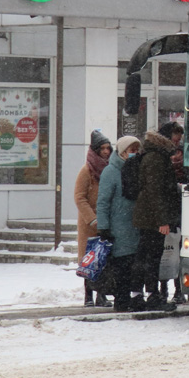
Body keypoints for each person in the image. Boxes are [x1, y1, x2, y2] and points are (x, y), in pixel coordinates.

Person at [131, 127, 181, 312]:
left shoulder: (154, 155)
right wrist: (162, 220)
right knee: (150, 256)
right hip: (151, 217)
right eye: (176, 139)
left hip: (149, 215)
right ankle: (146, 295)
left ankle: (143, 294)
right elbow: (155, 191)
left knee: (148, 255)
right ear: (167, 139)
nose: (177, 143)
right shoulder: (156, 158)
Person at [96, 136, 144, 312]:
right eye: (132, 150)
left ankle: (133, 298)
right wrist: (103, 227)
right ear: (122, 151)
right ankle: (121, 301)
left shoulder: (137, 169)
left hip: (135, 226)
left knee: (134, 265)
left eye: (137, 150)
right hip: (118, 227)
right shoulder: (111, 171)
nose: (135, 153)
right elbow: (103, 201)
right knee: (122, 265)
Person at [75, 130, 112, 307]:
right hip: (89, 225)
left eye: (108, 148)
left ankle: (101, 295)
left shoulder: (109, 169)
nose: (106, 152)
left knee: (103, 259)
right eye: (102, 148)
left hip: (106, 222)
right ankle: (88, 295)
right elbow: (79, 197)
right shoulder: (87, 170)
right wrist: (92, 218)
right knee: (89, 260)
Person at [157, 121, 187, 304]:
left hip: (181, 211)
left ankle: (179, 289)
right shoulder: (162, 160)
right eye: (174, 142)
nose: (177, 147)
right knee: (166, 252)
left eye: (179, 143)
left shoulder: (185, 162)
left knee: (180, 252)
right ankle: (163, 289)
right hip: (168, 212)